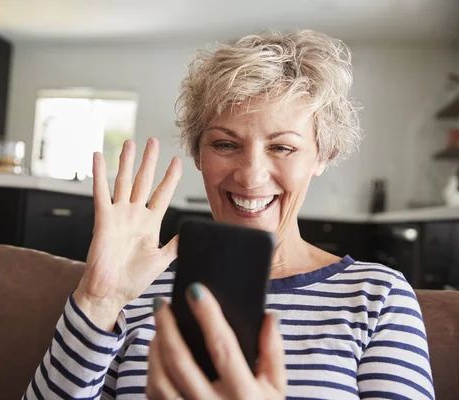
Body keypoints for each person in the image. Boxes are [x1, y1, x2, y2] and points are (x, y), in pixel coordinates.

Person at [23, 30, 434, 399]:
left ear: (321, 156)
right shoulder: (132, 287)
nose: (251, 175)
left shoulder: (378, 297)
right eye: (225, 144)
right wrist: (98, 301)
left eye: (282, 147)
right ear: (199, 154)